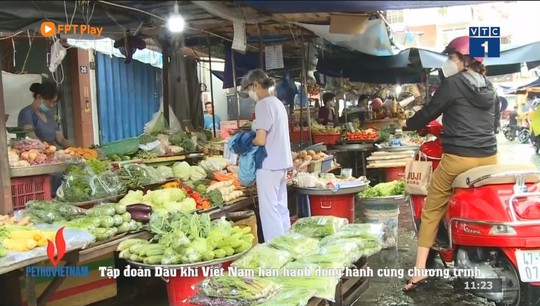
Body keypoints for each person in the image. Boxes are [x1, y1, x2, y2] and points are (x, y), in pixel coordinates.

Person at [402, 36, 499, 292]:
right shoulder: (490, 87)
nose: (448, 62)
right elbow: (495, 125)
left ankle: (419, 271)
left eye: (451, 57)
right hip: (490, 158)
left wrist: (409, 124)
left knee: (432, 207)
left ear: (464, 61)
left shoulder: (453, 84)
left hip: (459, 158)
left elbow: (429, 111)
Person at [240, 69, 293, 242]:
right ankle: (286, 243)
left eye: (250, 89)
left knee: (269, 210)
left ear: (256, 85)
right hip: (282, 162)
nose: (251, 93)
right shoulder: (277, 103)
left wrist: (246, 142)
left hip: (268, 164)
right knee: (280, 206)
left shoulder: (262, 104)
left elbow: (261, 140)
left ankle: (275, 248)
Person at [18, 82, 70, 148]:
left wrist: (77, 149)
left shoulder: (48, 115)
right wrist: (47, 148)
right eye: (49, 101)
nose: (51, 105)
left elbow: (61, 139)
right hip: (38, 153)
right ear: (39, 97)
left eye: (54, 102)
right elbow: (32, 138)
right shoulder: (26, 113)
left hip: (54, 151)